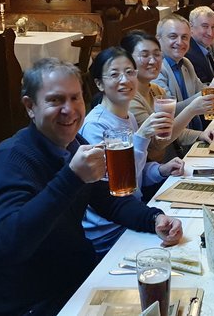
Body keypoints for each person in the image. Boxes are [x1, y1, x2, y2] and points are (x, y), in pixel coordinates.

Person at [0, 58, 182, 316]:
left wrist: (153, 218)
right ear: (30, 106)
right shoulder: (11, 159)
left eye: (75, 98)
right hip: (32, 301)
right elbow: (9, 244)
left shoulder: (73, 143)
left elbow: (106, 198)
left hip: (76, 278)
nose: (70, 110)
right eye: (56, 100)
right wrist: (71, 177)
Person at [79, 47, 186, 255]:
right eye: (114, 74)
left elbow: (137, 173)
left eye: (130, 72)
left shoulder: (129, 117)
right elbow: (118, 189)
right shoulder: (95, 126)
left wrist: (160, 170)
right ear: (99, 83)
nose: (124, 80)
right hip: (110, 230)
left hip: (134, 216)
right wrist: (142, 136)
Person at [120, 30, 214, 162]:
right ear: (128, 60)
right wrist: (191, 110)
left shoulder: (156, 90)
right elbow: (158, 141)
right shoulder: (129, 98)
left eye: (157, 55)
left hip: (170, 164)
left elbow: (172, 128)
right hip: (150, 171)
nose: (153, 61)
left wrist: (200, 134)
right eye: (144, 55)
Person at [153, 15, 214, 130]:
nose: (180, 42)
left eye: (184, 37)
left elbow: (206, 97)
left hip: (197, 133)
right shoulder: (156, 69)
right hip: (176, 141)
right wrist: (211, 90)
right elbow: (171, 112)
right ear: (158, 38)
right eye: (173, 36)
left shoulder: (185, 63)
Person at [185, 6, 214, 83]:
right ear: (191, 27)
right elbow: (204, 86)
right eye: (205, 26)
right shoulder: (188, 53)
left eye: (213, 27)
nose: (210, 33)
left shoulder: (205, 48)